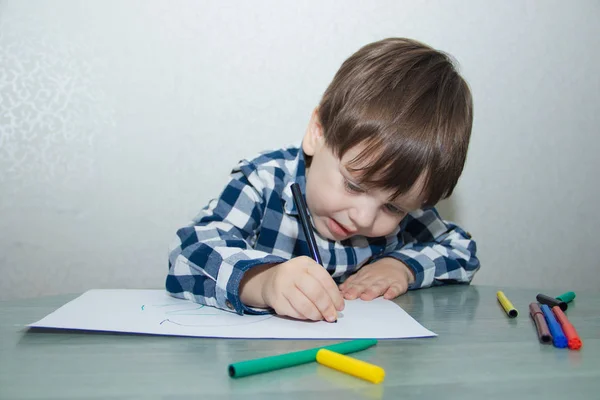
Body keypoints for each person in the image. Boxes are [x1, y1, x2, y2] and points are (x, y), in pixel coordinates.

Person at [166, 38, 480, 322]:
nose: (364, 217)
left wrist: (401, 267)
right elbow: (187, 253)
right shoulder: (264, 182)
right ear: (317, 134)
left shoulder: (400, 204)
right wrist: (263, 282)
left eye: (393, 209)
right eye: (354, 186)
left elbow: (462, 250)